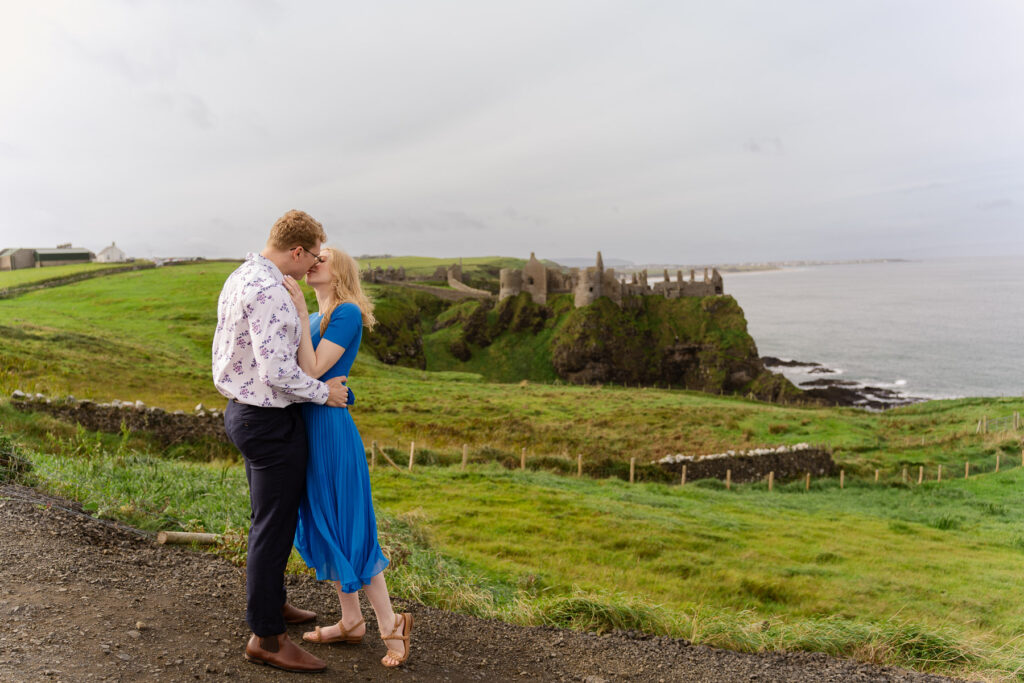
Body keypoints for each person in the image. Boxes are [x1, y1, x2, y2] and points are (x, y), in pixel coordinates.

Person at [212, 210, 353, 673]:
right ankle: (267, 637)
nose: (312, 264)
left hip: (243, 412)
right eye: (312, 255)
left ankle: (272, 605)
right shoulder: (272, 290)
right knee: (274, 527)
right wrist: (325, 393)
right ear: (297, 251)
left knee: (265, 519)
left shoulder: (242, 274)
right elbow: (278, 371)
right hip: (268, 422)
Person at [282, 246, 413, 668]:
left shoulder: (347, 312)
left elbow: (313, 369)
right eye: (313, 256)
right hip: (312, 429)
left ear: (340, 272)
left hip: (332, 434)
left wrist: (300, 316)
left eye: (325, 257)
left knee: (351, 529)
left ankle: (393, 626)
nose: (315, 260)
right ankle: (351, 622)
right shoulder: (321, 318)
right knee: (328, 524)